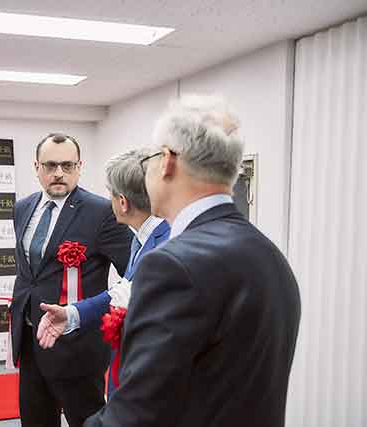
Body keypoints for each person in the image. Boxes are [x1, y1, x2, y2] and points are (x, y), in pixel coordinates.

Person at [84, 95, 301, 427]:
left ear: (167, 161)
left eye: (149, 160)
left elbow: (135, 414)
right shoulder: (270, 255)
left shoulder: (172, 265)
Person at [10, 132, 132, 427]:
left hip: (78, 346)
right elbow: (31, 275)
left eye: (67, 165)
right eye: (50, 165)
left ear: (80, 166)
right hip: (30, 339)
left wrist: (94, 311)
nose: (59, 173)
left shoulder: (102, 212)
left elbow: (135, 271)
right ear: (36, 167)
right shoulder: (22, 208)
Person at [36, 148, 170, 397]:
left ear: (122, 202)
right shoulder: (141, 239)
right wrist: (72, 313)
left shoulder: (166, 246)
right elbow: (125, 291)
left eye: (110, 194)